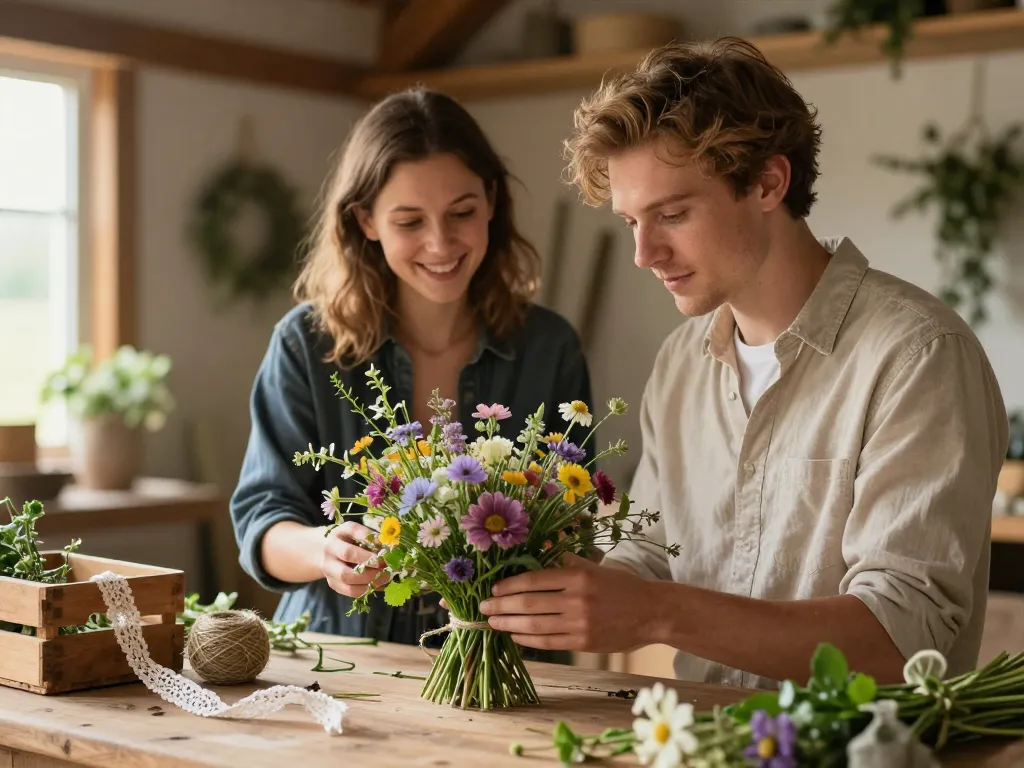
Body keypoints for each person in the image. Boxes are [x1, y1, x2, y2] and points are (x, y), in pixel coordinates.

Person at [477, 37, 1008, 690]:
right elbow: (651, 549)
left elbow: (899, 640)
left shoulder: (917, 357)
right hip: (703, 747)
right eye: (630, 222)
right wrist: (575, 593)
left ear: (767, 182)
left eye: (672, 214)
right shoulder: (681, 362)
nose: (644, 253)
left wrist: (654, 613)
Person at [230, 88, 591, 662]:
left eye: (462, 213)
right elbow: (261, 522)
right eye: (409, 221)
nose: (441, 244)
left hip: (507, 664)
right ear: (365, 220)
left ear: (492, 201)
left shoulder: (550, 348)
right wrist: (327, 550)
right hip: (340, 658)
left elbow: (575, 524)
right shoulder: (304, 344)